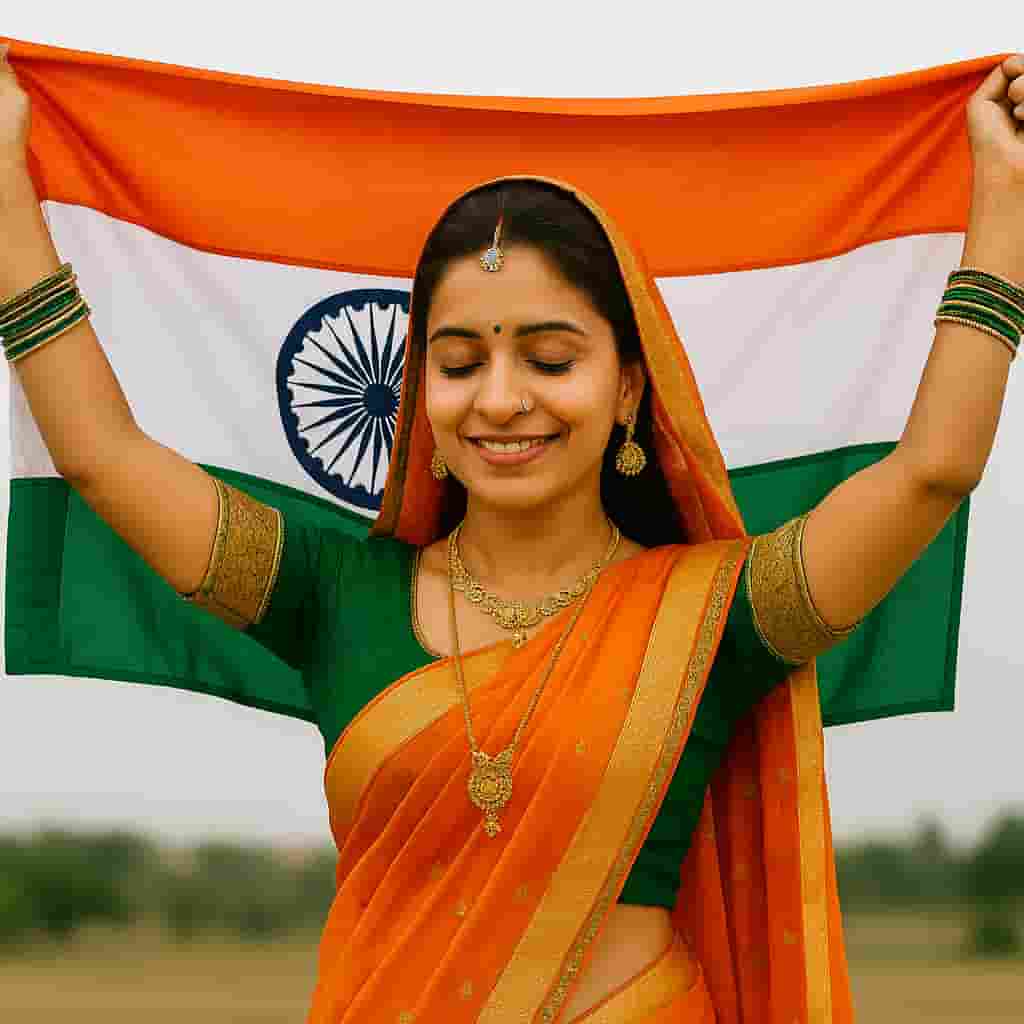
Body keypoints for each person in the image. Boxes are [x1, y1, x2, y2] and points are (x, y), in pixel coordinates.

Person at [2, 42, 1023, 1022]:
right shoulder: (332, 592)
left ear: (628, 388)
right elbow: (102, 456)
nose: (500, 399)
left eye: (549, 359)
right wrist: (9, 188)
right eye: (458, 363)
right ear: (420, 396)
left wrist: (1005, 195)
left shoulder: (712, 616)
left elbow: (931, 470)